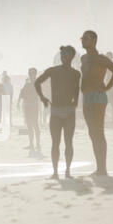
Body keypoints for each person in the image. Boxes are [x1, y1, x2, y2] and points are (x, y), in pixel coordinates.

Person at [35, 46, 81, 179]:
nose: (63, 56)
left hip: (68, 111)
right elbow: (37, 83)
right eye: (62, 54)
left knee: (68, 141)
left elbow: (76, 89)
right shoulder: (53, 71)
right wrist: (42, 98)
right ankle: (55, 172)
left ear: (72, 57)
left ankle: (67, 170)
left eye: (66, 54)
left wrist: (76, 101)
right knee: (55, 142)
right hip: (56, 111)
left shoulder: (76, 74)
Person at [80, 30, 113, 176]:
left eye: (86, 38)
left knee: (98, 131)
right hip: (86, 96)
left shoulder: (101, 58)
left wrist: (108, 86)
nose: (83, 41)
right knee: (92, 132)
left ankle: (103, 168)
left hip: (97, 96)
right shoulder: (83, 58)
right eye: (82, 38)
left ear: (94, 40)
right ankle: (99, 167)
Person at [18, 68, 41, 156]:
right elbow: (22, 94)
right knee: (31, 126)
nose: (31, 75)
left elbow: (23, 94)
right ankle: (32, 144)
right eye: (30, 74)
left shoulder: (34, 84)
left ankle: (36, 144)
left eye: (32, 74)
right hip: (29, 106)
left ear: (34, 74)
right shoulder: (28, 84)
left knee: (34, 125)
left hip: (32, 106)